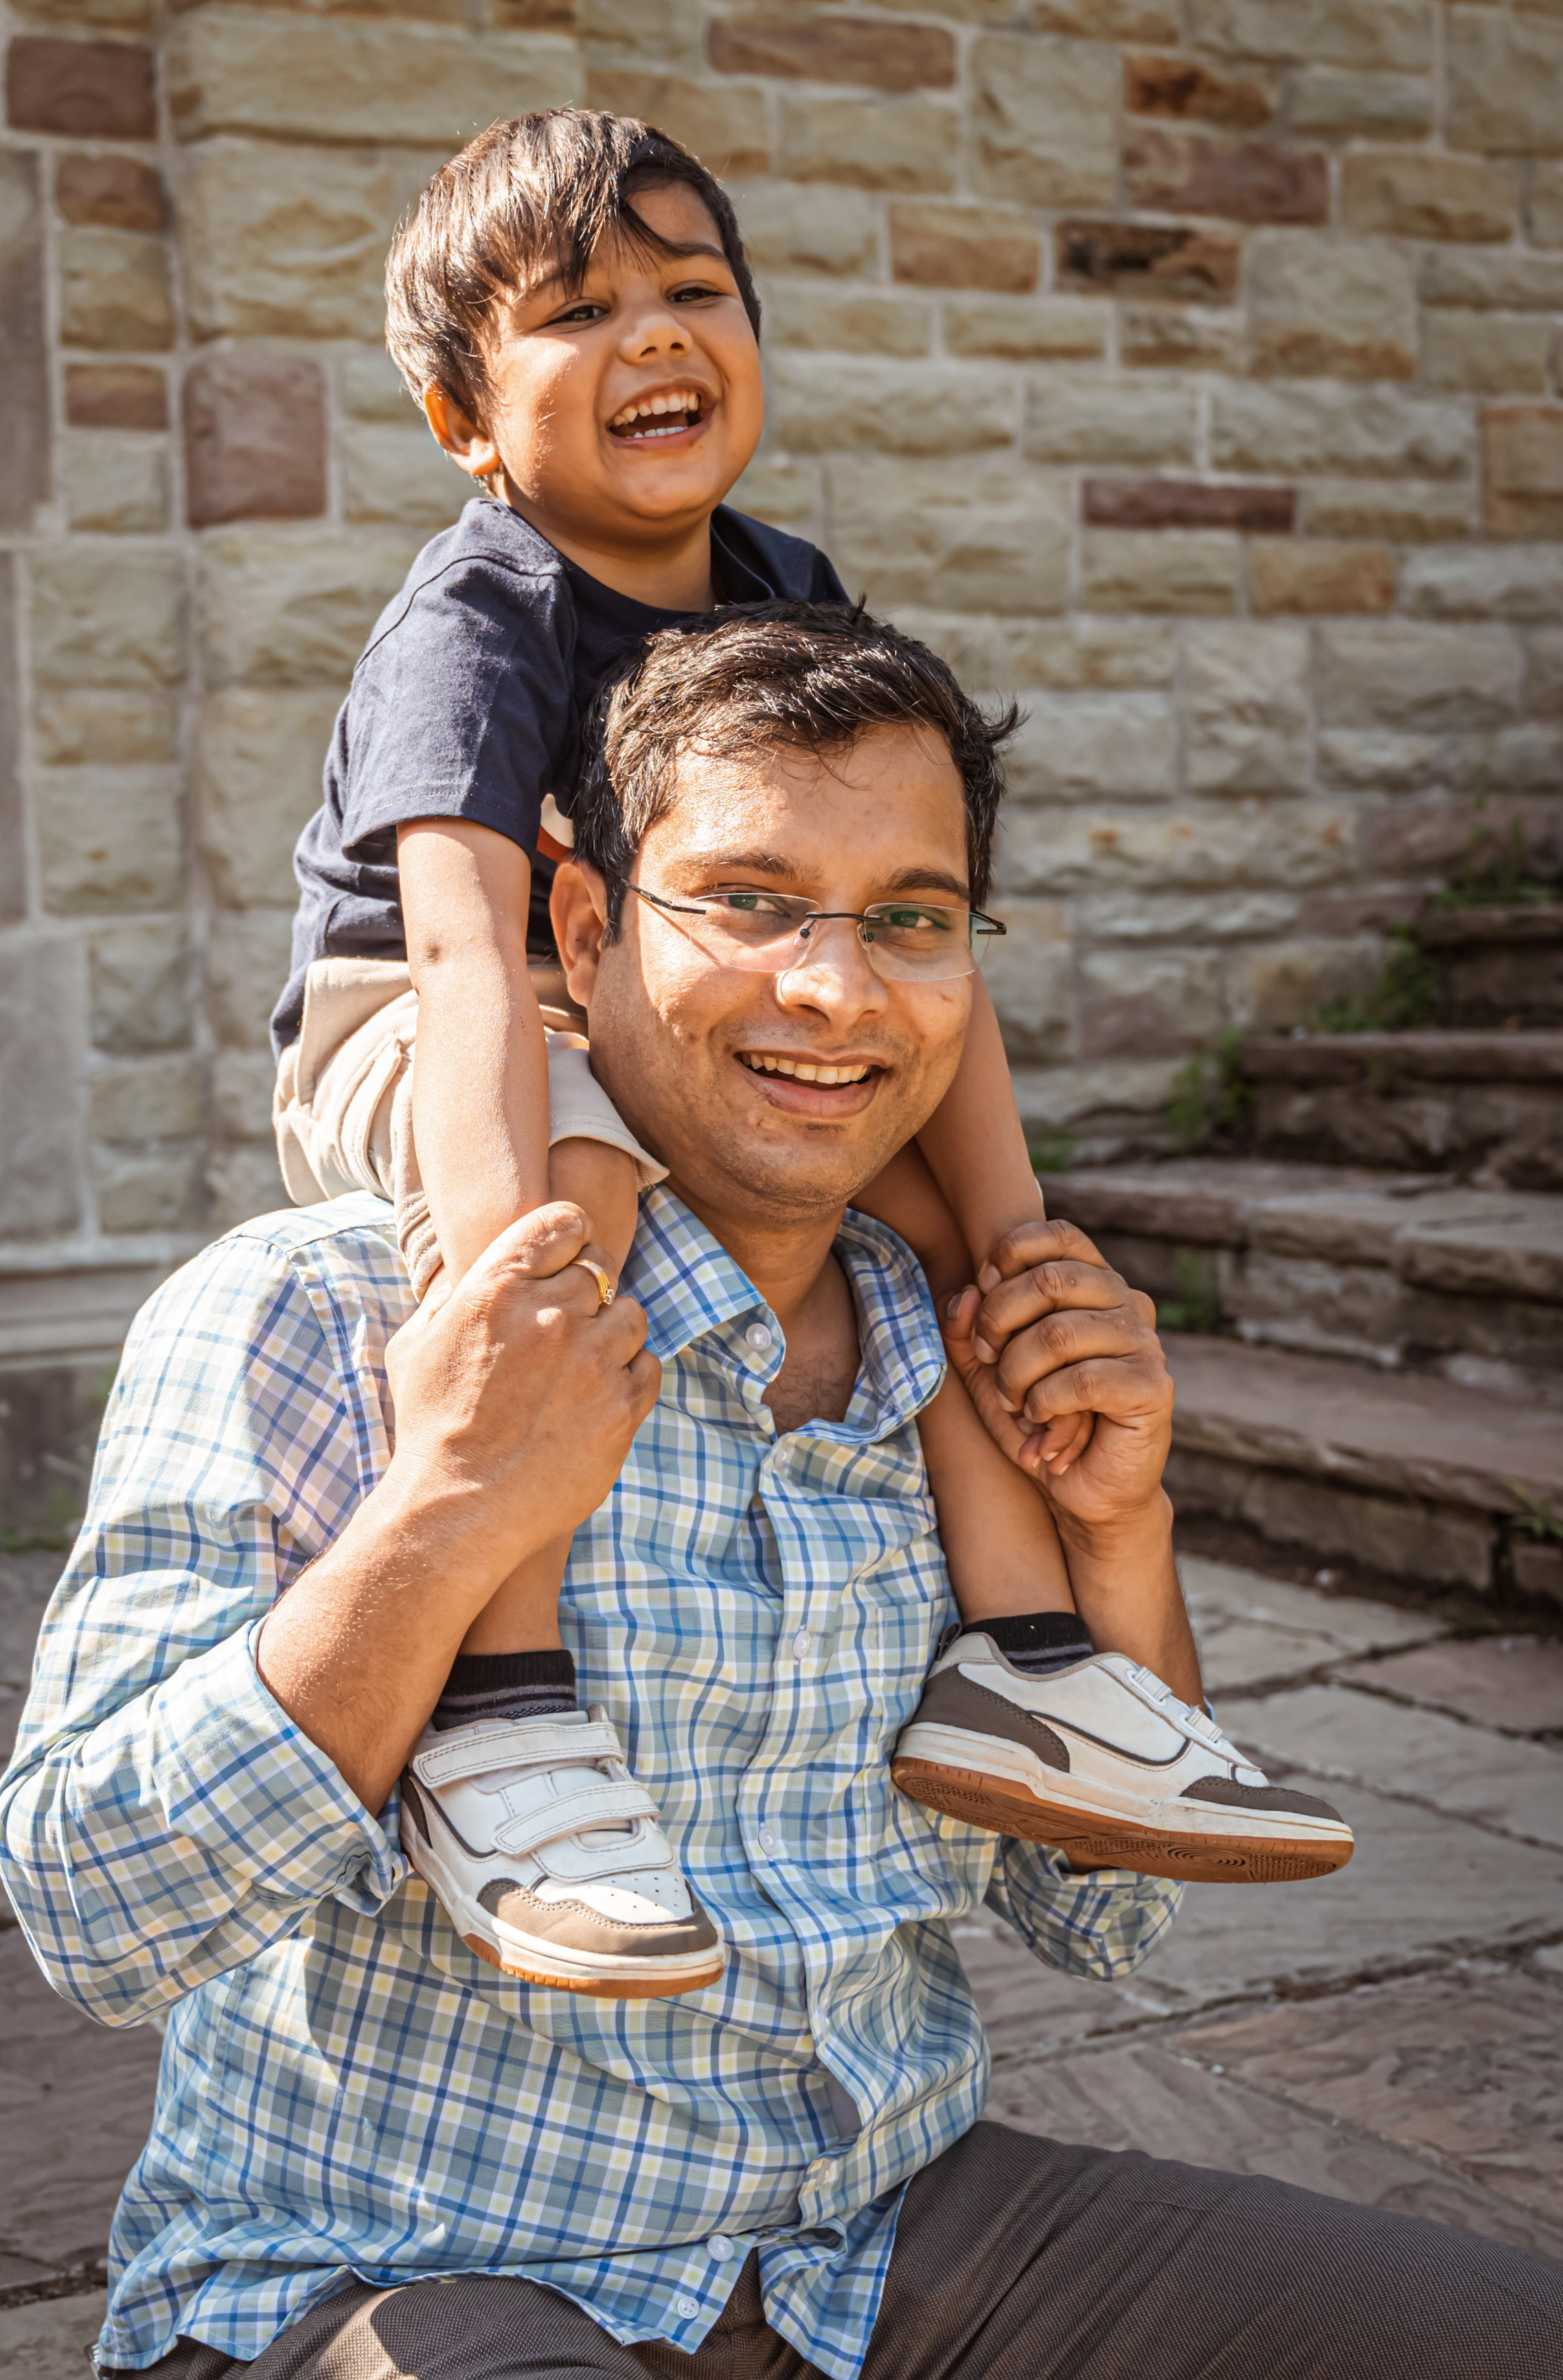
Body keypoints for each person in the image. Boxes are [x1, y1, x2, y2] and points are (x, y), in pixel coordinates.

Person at [0, 612, 1546, 2380]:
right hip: (383, 2296)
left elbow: (1106, 1912)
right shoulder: (312, 1311)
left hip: (877, 2262)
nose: (835, 988)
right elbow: (94, 1905)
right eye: (748, 901)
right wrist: (452, 1505)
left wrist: (1123, 1532)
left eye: (912, 919)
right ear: (576, 920)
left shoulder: (956, 1366)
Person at [267, 107, 1349, 1994]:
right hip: (434, 1015)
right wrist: (510, 1241)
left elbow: (917, 937)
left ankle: (1025, 1671)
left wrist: (1010, 1240)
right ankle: (506, 1705)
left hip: (691, 1007)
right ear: (464, 416)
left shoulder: (786, 586)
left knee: (912, 1213)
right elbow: (457, 945)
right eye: (579, 310)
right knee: (582, 1175)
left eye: (696, 289)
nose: (656, 334)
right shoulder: (479, 609)